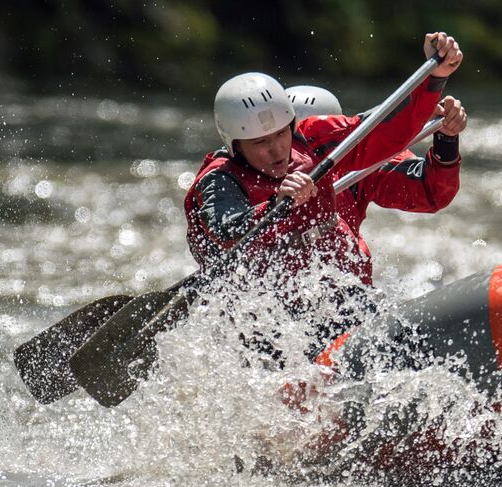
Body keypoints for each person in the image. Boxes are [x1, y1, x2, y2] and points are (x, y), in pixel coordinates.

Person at [183, 32, 464, 356]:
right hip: (264, 325)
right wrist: (277, 205)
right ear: (234, 144)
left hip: (340, 302)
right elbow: (226, 229)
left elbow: (383, 131)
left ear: (292, 126)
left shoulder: (315, 142)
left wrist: (435, 78)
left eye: (280, 135)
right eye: (260, 142)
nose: (276, 151)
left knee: (398, 335)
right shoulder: (219, 180)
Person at [285, 83, 467, 285]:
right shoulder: (256, 175)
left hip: (344, 282)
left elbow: (430, 191)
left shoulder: (357, 168)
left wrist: (446, 140)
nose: (301, 156)